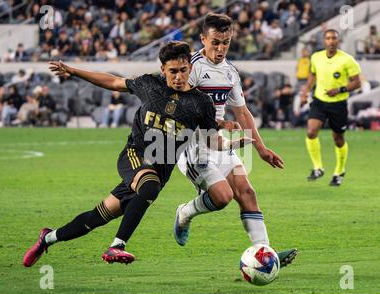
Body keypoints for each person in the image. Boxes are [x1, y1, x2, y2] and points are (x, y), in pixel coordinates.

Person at [22, 41, 251, 267]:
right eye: (173, 71)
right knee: (149, 185)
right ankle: (117, 246)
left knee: (96, 218)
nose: (179, 77)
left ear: (190, 68)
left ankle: (47, 238)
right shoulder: (149, 84)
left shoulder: (202, 103)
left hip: (158, 173)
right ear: (163, 70)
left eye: (183, 70)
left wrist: (234, 144)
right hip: (135, 156)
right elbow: (112, 81)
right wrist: (73, 71)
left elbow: (210, 141)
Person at [173, 14, 297, 267]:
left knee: (247, 192)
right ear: (203, 39)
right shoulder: (191, 68)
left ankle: (265, 254)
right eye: (215, 42)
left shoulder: (230, 71)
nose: (220, 49)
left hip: (217, 142)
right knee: (222, 198)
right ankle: (185, 212)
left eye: (226, 43)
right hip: (192, 146)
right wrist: (221, 125)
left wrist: (260, 149)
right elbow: (186, 111)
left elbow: (242, 112)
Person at [301, 29, 361, 186]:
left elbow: (357, 82)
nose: (331, 41)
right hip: (319, 100)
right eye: (328, 38)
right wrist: (305, 92)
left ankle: (339, 171)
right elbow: (312, 75)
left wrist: (340, 90)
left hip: (338, 104)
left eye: (334, 38)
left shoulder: (348, 60)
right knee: (311, 131)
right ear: (324, 41)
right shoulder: (316, 57)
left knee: (338, 139)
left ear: (338, 41)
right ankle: (318, 167)